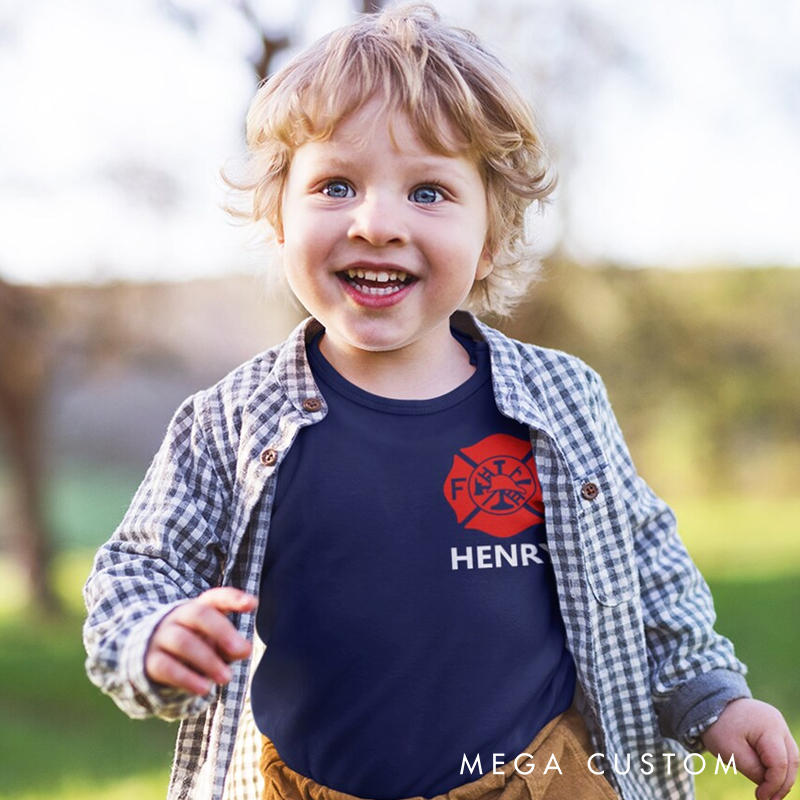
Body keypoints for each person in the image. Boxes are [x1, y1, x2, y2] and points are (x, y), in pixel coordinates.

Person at [82, 4, 798, 800]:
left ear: (491, 233)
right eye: (335, 184)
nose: (378, 222)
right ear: (278, 216)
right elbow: (137, 573)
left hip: (543, 779)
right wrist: (152, 637)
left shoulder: (561, 401)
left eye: (428, 191)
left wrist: (710, 697)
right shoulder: (229, 425)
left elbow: (643, 567)